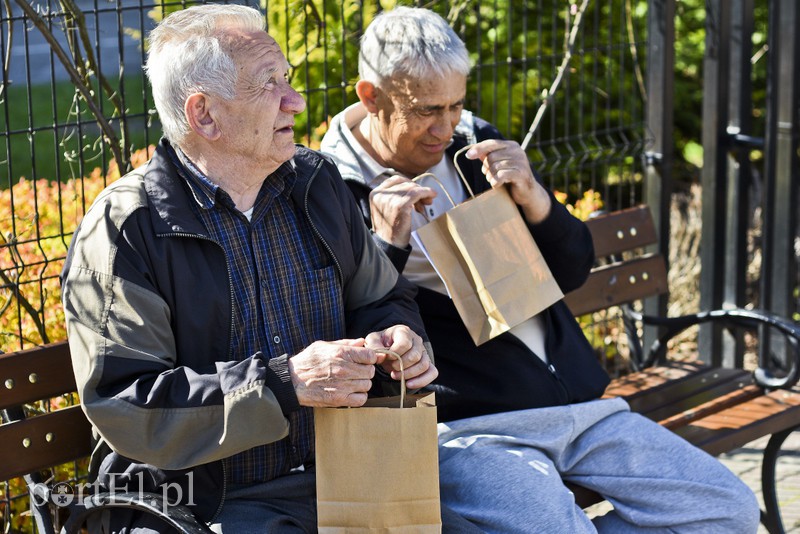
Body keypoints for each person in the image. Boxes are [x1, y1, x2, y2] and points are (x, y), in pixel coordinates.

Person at [320, 6, 761, 533]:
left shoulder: (470, 147)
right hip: (472, 426)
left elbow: (572, 270)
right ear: (372, 97)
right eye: (426, 110)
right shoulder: (329, 188)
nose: (445, 127)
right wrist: (385, 246)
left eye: (456, 105)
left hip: (579, 404)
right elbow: (340, 334)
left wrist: (536, 201)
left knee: (727, 510)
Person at [59, 5, 466, 533]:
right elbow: (127, 404)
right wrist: (284, 382)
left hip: (351, 475)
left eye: (287, 80)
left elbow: (382, 297)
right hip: (200, 506)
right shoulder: (128, 229)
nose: (295, 101)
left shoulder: (313, 183)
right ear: (204, 115)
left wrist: (397, 341)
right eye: (267, 84)